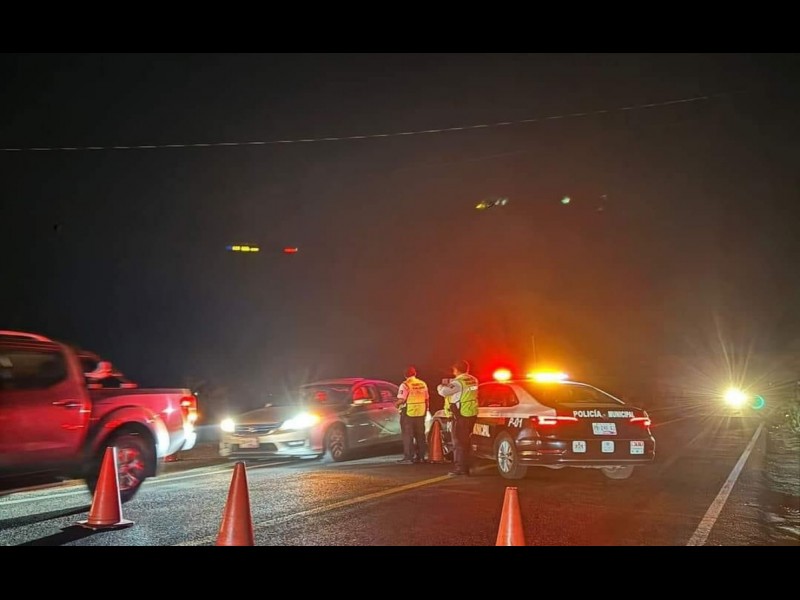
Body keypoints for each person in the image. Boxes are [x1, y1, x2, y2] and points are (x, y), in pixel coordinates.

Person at [437, 360, 479, 476]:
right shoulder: (473, 380)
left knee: (459, 443)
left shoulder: (458, 382)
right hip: (471, 413)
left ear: (456, 370)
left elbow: (444, 392)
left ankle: (460, 468)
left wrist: (440, 386)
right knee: (466, 442)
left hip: (461, 415)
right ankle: (467, 466)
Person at [396, 366, 429, 464]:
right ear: (415, 373)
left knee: (408, 435)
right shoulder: (422, 383)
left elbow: (402, 399)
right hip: (421, 412)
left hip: (409, 412)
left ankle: (409, 457)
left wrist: (396, 404)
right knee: (420, 435)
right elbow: (427, 398)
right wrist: (426, 410)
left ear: (405, 375)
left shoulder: (405, 385)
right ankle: (421, 457)